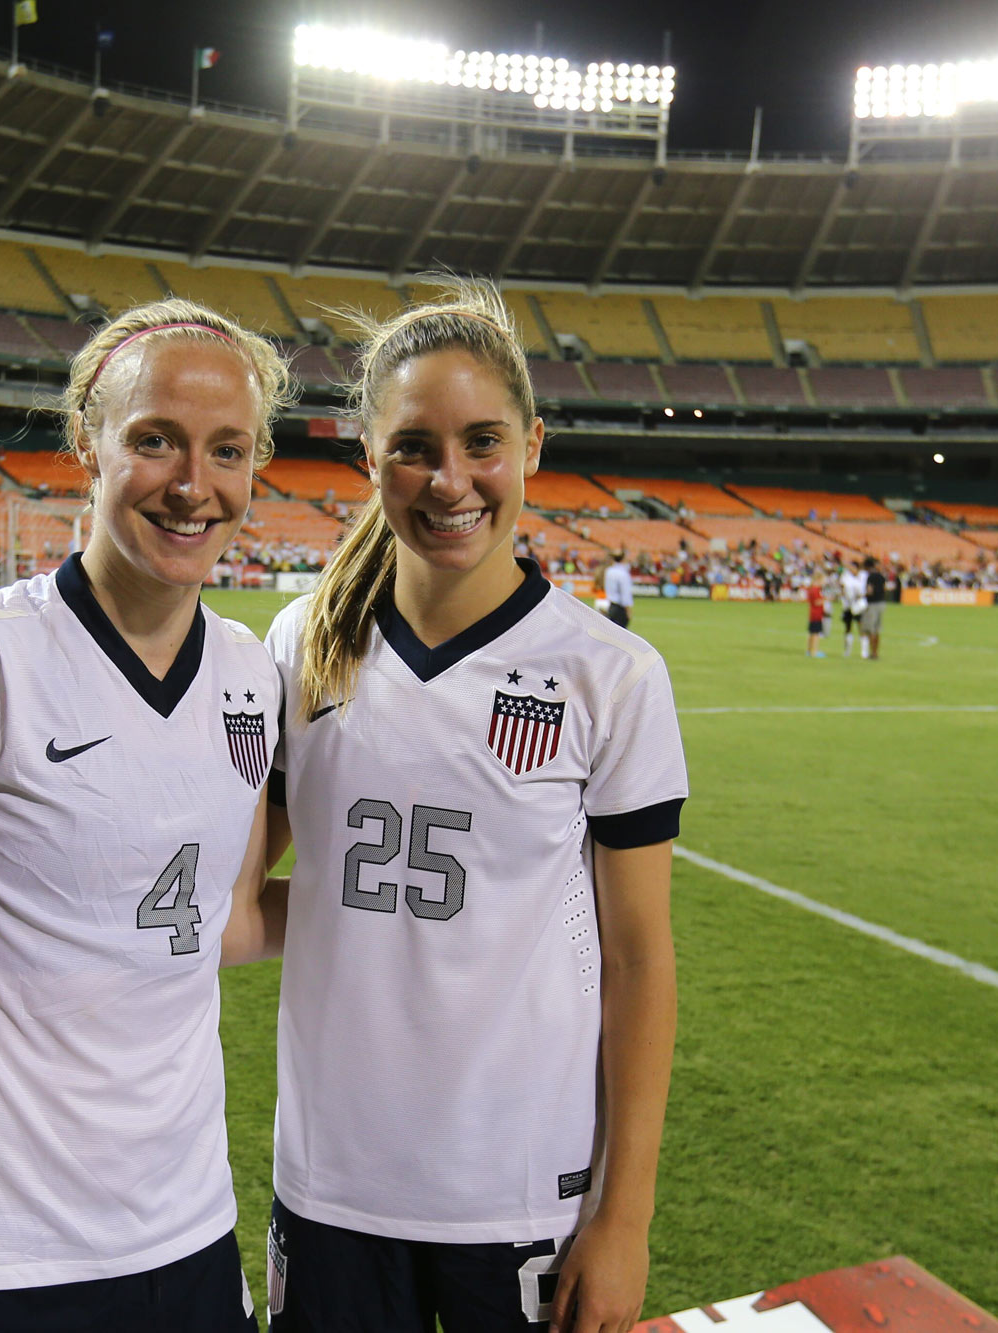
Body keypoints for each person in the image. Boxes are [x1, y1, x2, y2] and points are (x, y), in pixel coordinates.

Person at [0, 299, 293, 1333]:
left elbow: (222, 921)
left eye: (227, 450)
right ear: (88, 440)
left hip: (189, 1223)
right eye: (153, 439)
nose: (191, 485)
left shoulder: (252, 678)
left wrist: (439, 916)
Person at [231, 281, 687, 1333]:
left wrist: (623, 1215)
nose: (450, 481)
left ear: (530, 443)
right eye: (412, 448)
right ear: (365, 457)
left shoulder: (606, 674)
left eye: (481, 441)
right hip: (331, 1180)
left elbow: (639, 961)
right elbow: (228, 901)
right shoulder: (302, 644)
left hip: (520, 1189)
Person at [839, 562, 868, 659]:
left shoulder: (863, 576)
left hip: (859, 604)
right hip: (848, 604)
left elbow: (865, 590)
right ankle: (847, 650)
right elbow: (842, 588)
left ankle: (864, 651)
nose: (851, 569)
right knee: (848, 627)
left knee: (861, 627)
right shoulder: (846, 576)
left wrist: (860, 595)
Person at [861, 556, 886, 660]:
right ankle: (876, 652)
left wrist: (861, 596)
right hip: (881, 603)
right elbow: (884, 588)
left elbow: (869, 591)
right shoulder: (881, 575)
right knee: (877, 629)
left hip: (872, 604)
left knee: (870, 629)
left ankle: (872, 653)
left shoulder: (870, 576)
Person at [601, 548, 634, 629]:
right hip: (620, 608)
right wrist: (628, 610)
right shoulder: (623, 573)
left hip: (611, 605)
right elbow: (625, 592)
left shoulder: (609, 571)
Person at [805, 578, 826, 657]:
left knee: (811, 633)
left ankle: (809, 650)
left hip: (813, 613)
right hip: (817, 614)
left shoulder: (811, 589)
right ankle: (814, 652)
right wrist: (825, 599)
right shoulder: (816, 590)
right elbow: (816, 602)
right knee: (816, 634)